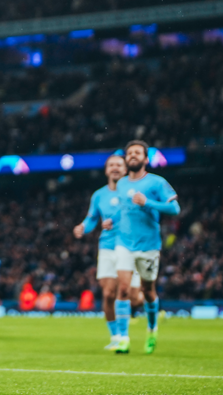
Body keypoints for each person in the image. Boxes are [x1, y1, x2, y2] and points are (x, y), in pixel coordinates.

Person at [113, 140, 180, 355]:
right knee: (122, 289)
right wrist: (111, 222)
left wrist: (148, 203)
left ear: (145, 159)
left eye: (137, 153)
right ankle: (123, 338)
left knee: (148, 292)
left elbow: (175, 208)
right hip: (124, 243)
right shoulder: (121, 184)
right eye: (129, 153)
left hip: (149, 245)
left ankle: (152, 329)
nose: (133, 155)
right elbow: (124, 211)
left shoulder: (157, 183)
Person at [74, 154, 127, 350]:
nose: (115, 168)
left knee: (132, 294)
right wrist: (82, 227)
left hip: (130, 246)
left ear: (125, 169)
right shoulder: (98, 195)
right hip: (107, 246)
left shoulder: (131, 192)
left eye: (119, 165)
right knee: (108, 293)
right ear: (106, 170)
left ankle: (125, 330)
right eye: (111, 165)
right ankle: (117, 336)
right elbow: (91, 219)